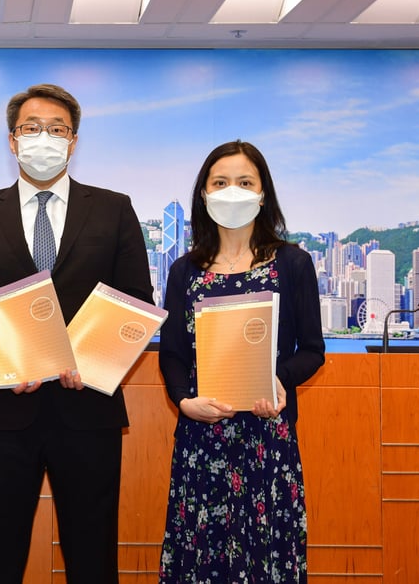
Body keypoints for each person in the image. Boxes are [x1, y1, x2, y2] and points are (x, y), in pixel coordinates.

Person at [0, 83, 153, 584]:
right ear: (12, 140)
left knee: (92, 549)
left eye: (56, 130)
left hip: (89, 410)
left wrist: (97, 361)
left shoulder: (114, 209)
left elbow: (136, 303)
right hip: (3, 410)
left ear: (73, 141)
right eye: (31, 128)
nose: (44, 138)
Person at [157, 140, 325, 582]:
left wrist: (277, 380)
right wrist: (182, 400)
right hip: (202, 439)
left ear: (262, 192)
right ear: (205, 193)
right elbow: (172, 352)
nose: (233, 190)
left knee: (266, 558)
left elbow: (312, 350)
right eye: (221, 182)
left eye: (244, 181)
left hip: (267, 439)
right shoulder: (185, 271)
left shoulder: (293, 263)